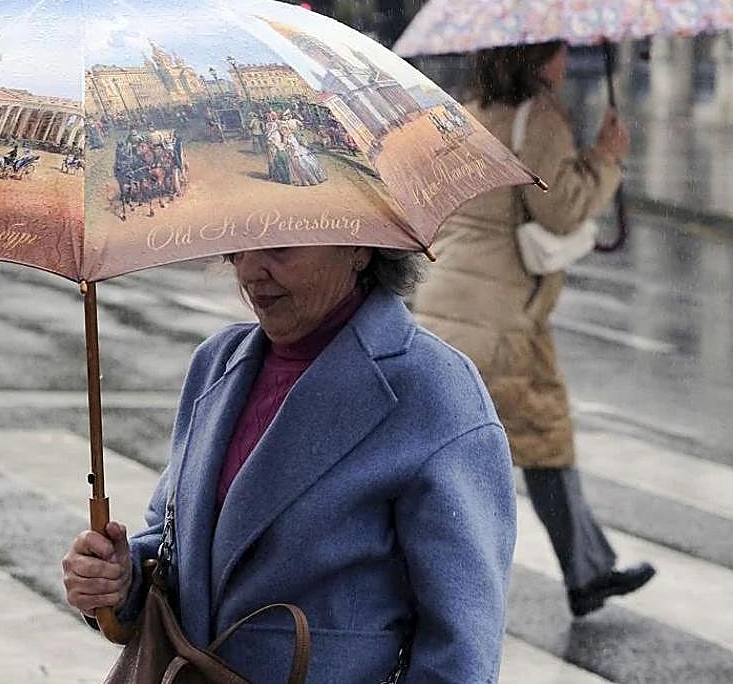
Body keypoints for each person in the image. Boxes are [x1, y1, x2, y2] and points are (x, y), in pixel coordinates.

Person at [63, 245, 516, 681]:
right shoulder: (216, 363)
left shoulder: (433, 389)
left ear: (360, 248)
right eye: (242, 243)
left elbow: (462, 645)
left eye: (283, 247)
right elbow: (174, 547)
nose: (251, 270)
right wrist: (118, 580)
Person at [410, 41, 654, 618]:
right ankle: (437, 595)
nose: (566, 60)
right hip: (498, 314)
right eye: (559, 51)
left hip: (459, 298)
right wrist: (606, 157)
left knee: (543, 437)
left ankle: (587, 570)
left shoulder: (470, 109)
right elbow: (562, 209)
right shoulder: (539, 118)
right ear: (537, 59)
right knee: (460, 463)